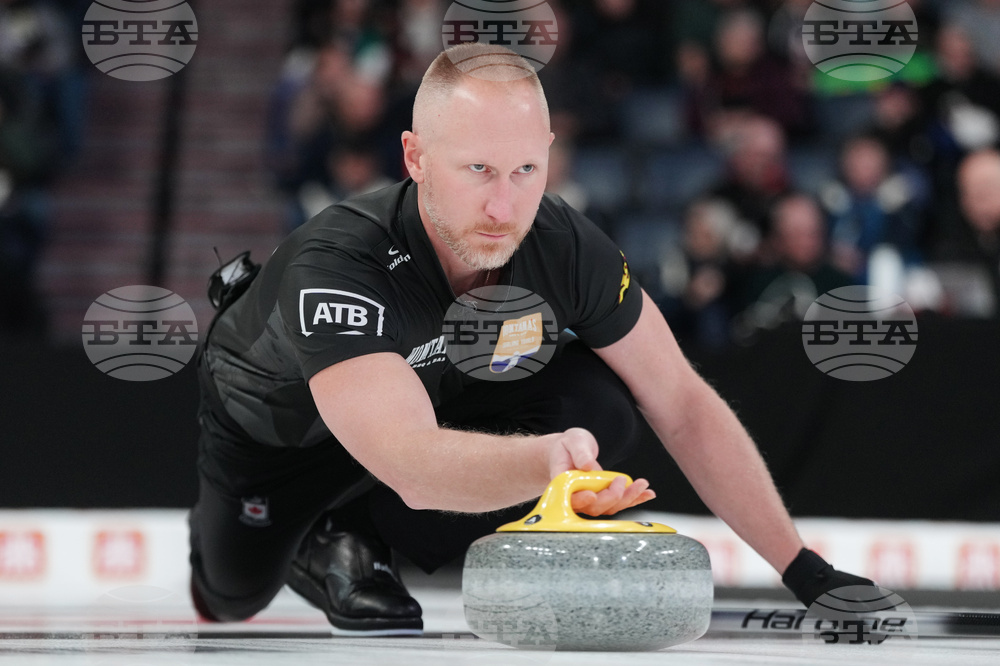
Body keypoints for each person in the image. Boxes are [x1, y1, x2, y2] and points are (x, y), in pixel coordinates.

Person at [189, 43, 872, 634]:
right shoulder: (341, 262)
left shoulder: (560, 243)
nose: (503, 207)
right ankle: (288, 541)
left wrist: (801, 567)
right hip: (280, 439)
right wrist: (547, 464)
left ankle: (351, 536)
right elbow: (408, 461)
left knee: (600, 407)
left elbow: (683, 403)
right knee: (232, 596)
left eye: (525, 170)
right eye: (477, 170)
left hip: (424, 405)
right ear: (415, 157)